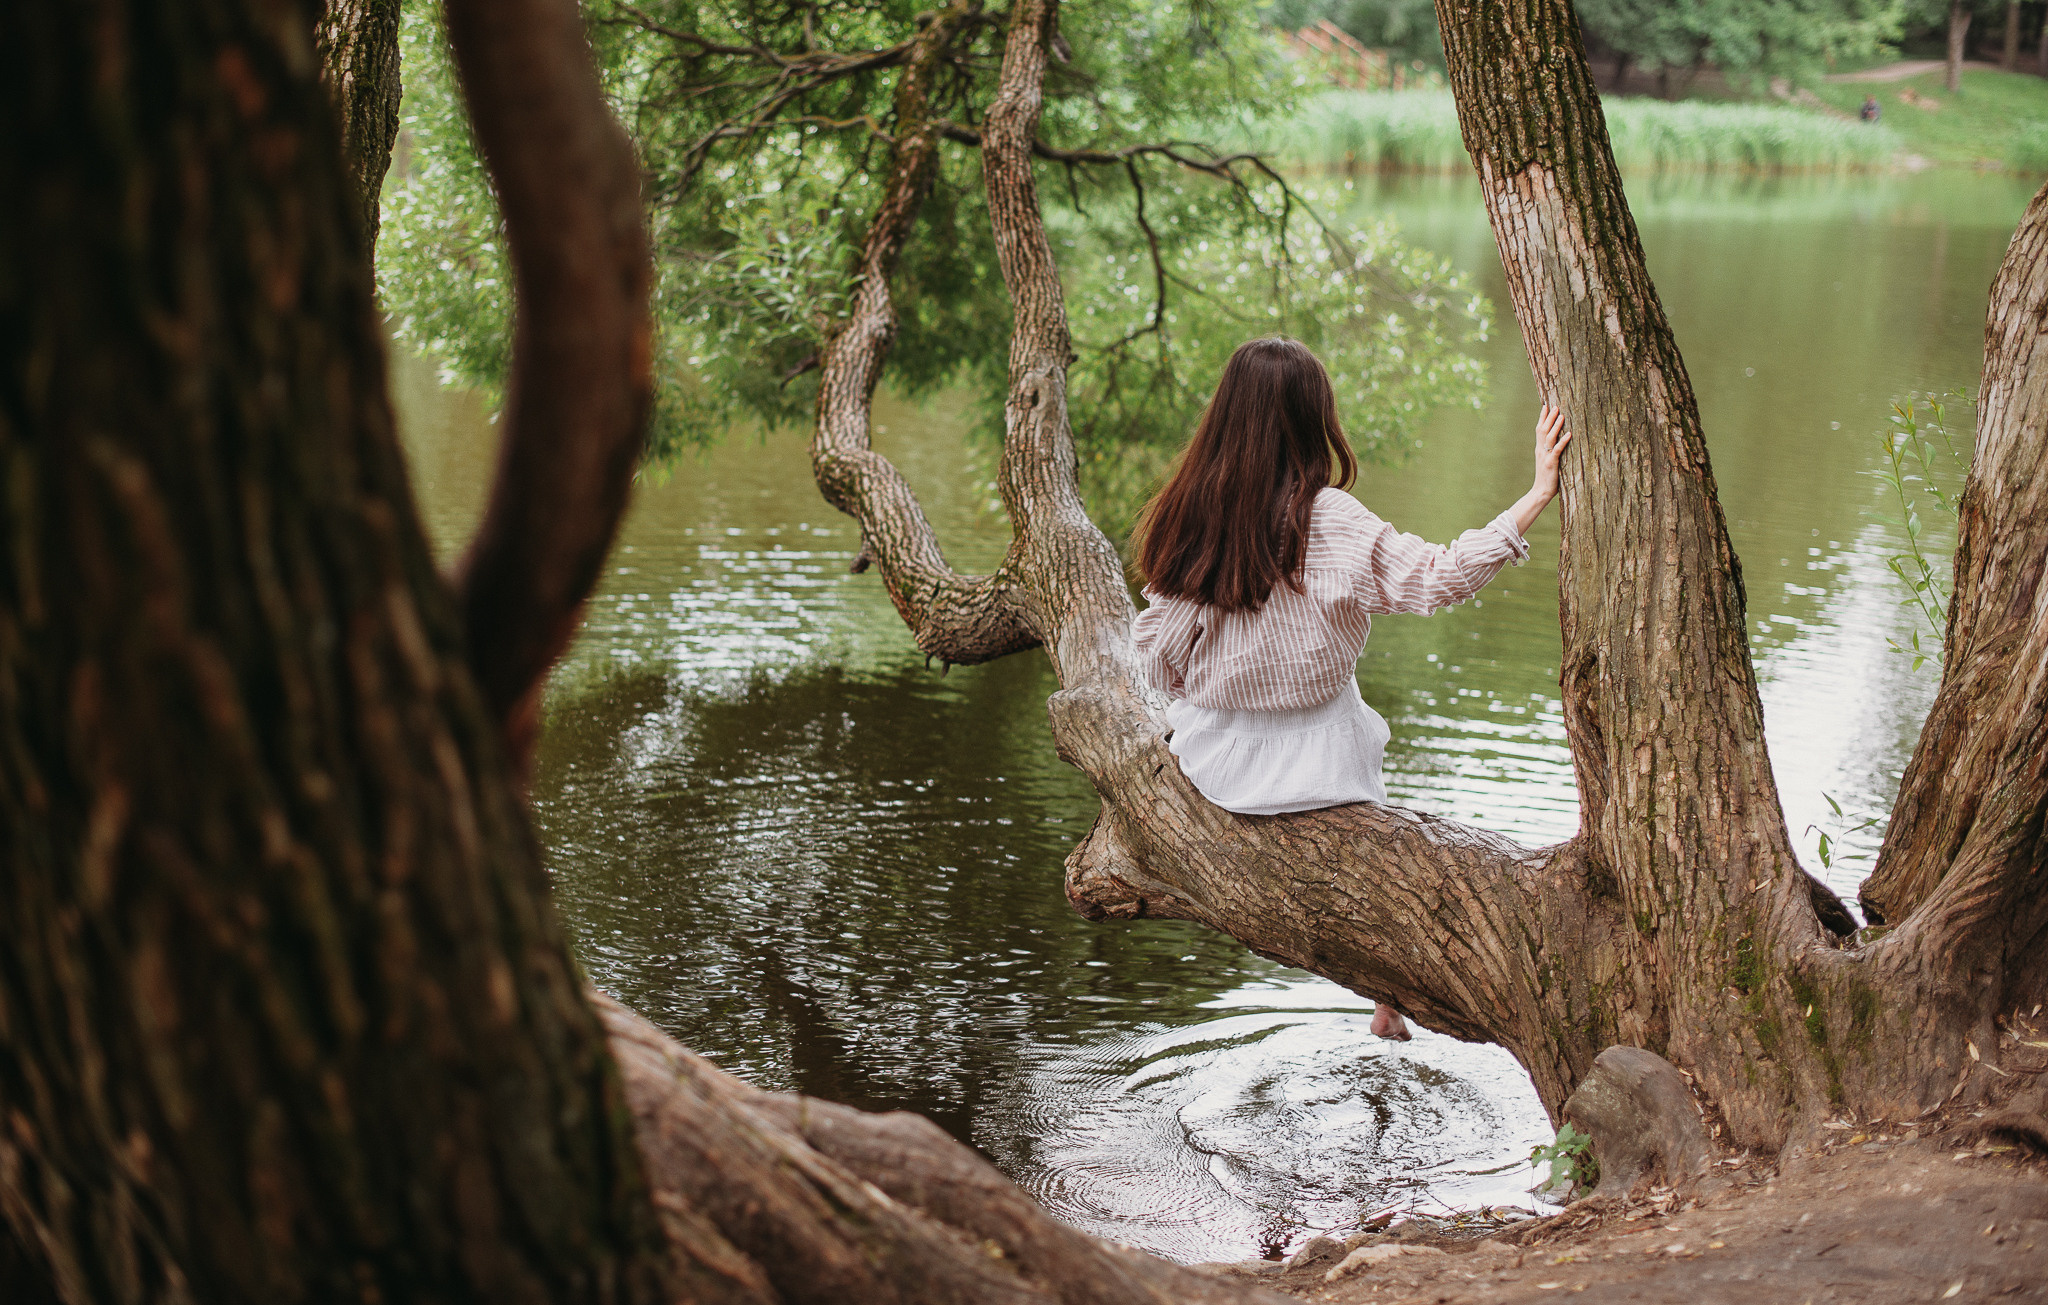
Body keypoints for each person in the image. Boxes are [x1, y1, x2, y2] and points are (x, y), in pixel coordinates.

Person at [1132, 337, 1571, 1041]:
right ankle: (1384, 998)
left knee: (1298, 700)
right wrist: (1535, 494)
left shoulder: (1194, 509)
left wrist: (1207, 692)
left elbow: (1156, 657)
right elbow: (1437, 578)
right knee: (1351, 708)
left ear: (1225, 417)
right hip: (1323, 771)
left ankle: (1380, 997)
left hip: (1214, 764)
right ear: (1316, 420)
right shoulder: (1329, 517)